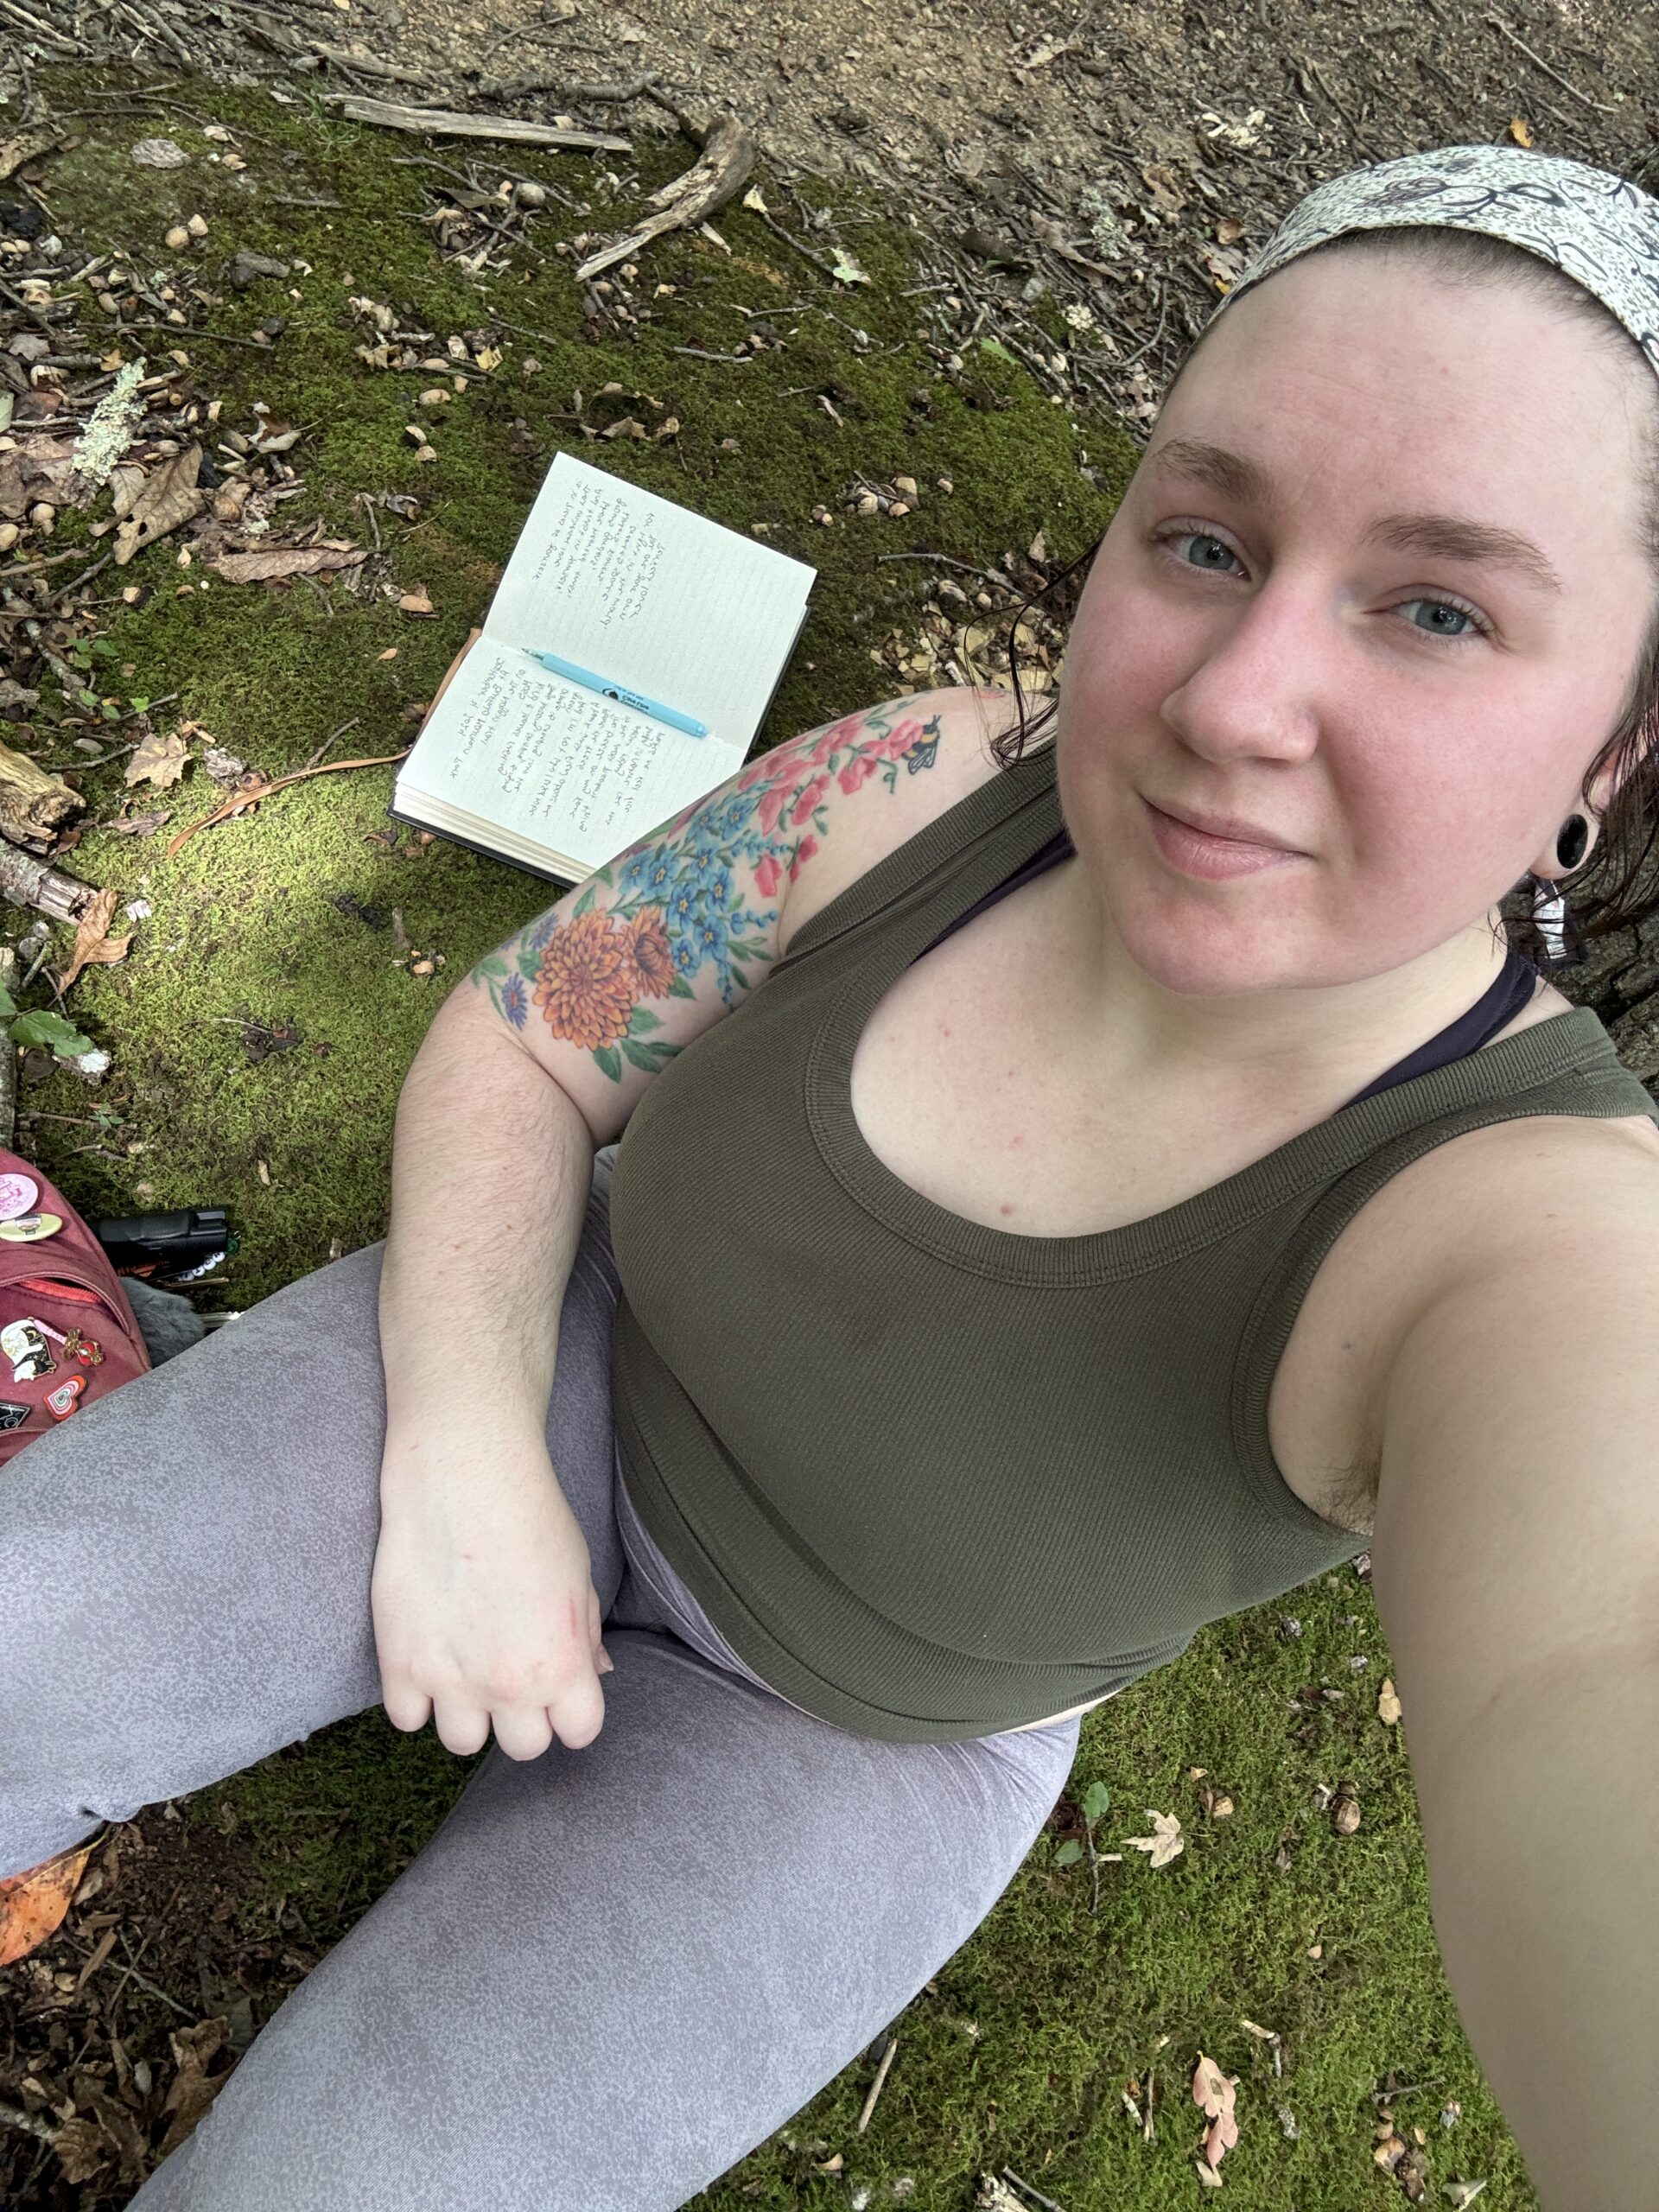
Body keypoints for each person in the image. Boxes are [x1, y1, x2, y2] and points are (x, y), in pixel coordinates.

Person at [4, 143, 1659, 2209]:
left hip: (861, 1742)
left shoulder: (1537, 1229)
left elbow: (1599, 1673)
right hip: (555, 1357)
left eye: (1437, 606)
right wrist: (463, 1452)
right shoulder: (932, 784)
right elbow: (527, 1036)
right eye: (1208, 539)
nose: (1237, 702)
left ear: (1614, 745)